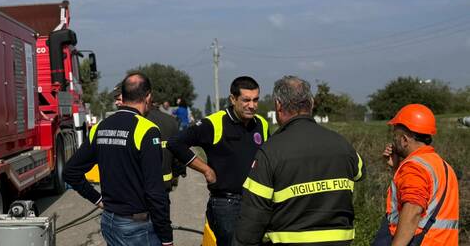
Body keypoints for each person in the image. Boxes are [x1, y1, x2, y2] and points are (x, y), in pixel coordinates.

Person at [233, 75, 364, 246]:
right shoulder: (342, 144)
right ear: (311, 103)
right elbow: (360, 173)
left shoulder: (270, 151)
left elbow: (253, 216)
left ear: (278, 106)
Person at [63, 73, 173, 246]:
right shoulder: (147, 129)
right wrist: (166, 237)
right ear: (148, 97)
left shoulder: (100, 127)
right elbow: (155, 191)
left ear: (123, 96)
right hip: (137, 227)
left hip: (110, 222)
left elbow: (70, 171)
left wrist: (98, 200)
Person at [168, 76, 270, 246]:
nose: (252, 106)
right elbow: (175, 143)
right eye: (246, 100)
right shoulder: (215, 123)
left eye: (255, 100)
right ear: (233, 99)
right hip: (226, 204)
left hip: (255, 202)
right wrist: (206, 170)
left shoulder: (262, 124)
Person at [373, 104, 459, 245]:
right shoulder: (442, 165)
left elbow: (413, 212)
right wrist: (396, 167)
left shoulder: (414, 167)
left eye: (395, 136)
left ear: (405, 140)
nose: (393, 141)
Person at [146, 105, 182, 192]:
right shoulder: (171, 121)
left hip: (141, 185)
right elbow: (178, 152)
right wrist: (177, 173)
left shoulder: (137, 120)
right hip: (165, 183)